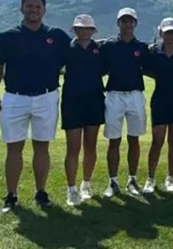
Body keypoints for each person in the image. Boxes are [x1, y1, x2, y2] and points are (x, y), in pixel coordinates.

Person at [0, 0, 71, 212]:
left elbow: (77, 51)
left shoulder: (56, 36)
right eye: (29, 6)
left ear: (44, 10)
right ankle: (11, 195)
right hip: (15, 98)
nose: (33, 10)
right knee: (14, 148)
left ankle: (41, 192)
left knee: (42, 147)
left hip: (46, 97)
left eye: (37, 7)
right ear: (22, 8)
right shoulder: (7, 37)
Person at [100, 7, 151, 197]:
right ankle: (113, 181)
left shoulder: (142, 47)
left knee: (134, 139)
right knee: (114, 140)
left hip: (135, 95)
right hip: (114, 95)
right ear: (118, 23)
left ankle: (132, 179)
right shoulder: (108, 45)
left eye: (130, 21)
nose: (127, 24)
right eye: (124, 21)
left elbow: (150, 68)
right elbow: (100, 68)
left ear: (135, 23)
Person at [61, 14, 105, 206]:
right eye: (79, 28)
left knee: (90, 145)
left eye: (87, 28)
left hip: (94, 100)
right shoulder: (67, 48)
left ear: (93, 30)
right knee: (73, 147)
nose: (83, 31)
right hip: (72, 101)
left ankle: (86, 184)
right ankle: (71, 189)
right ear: (75, 30)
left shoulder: (100, 49)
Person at [142, 17, 173, 193]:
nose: (170, 35)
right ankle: (150, 178)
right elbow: (146, 69)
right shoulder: (154, 52)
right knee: (157, 141)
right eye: (166, 32)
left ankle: (170, 177)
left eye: (172, 32)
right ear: (161, 33)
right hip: (160, 99)